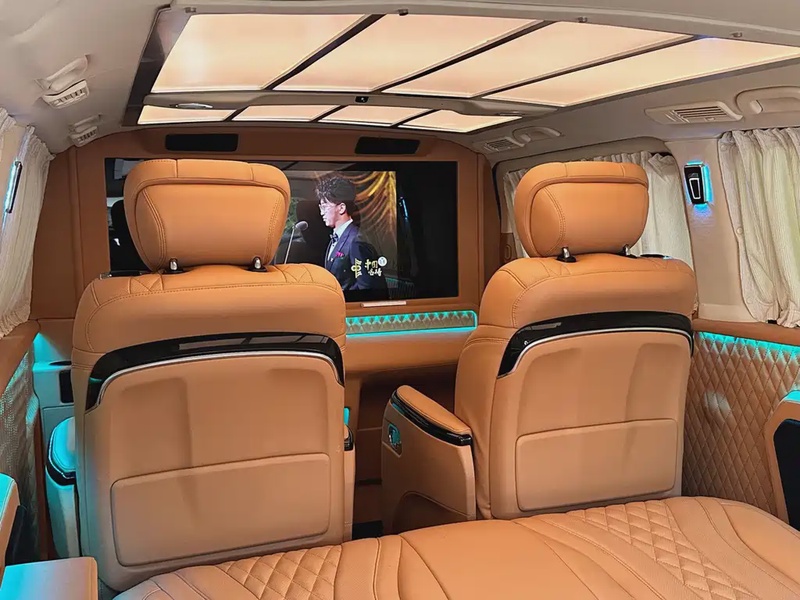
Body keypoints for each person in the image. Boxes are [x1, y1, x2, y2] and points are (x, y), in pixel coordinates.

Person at [317, 176, 386, 292]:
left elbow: (366, 288)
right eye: (320, 207)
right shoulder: (338, 237)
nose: (321, 213)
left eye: (325, 207)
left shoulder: (356, 241)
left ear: (341, 208)